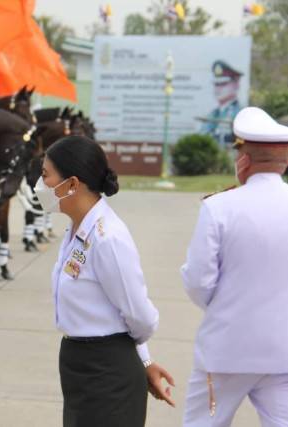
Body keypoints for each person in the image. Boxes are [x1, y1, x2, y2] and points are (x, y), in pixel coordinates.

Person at [35, 136, 175, 427]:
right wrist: (145, 360)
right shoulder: (77, 229)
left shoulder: (107, 238)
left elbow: (140, 317)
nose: (40, 184)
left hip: (107, 370)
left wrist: (141, 361)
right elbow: (120, 313)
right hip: (80, 365)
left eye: (46, 175)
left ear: (72, 184)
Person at [181, 107, 288, 426]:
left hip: (226, 350)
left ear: (243, 159)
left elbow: (199, 281)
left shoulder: (218, 208)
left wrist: (228, 307)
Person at [200, 60, 243, 145]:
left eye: (223, 83)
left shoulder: (240, 113)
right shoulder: (213, 113)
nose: (218, 88)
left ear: (236, 84)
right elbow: (202, 135)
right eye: (216, 84)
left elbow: (240, 142)